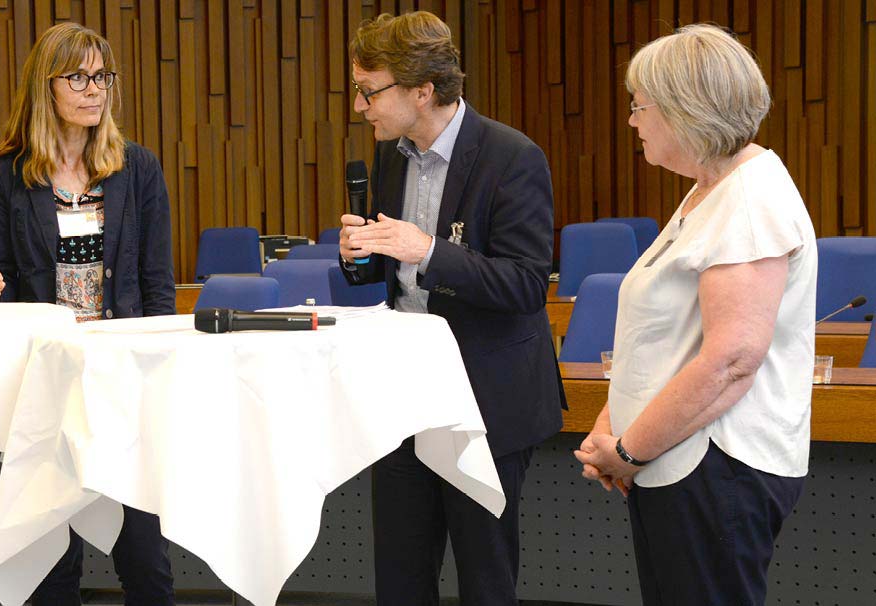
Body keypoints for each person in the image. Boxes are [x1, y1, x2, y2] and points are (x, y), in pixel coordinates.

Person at [574, 24, 815, 605]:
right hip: (676, 458)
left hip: (716, 468)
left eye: (639, 107)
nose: (631, 122)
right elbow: (665, 335)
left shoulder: (750, 199)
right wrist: (617, 428)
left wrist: (630, 450)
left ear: (685, 110)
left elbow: (732, 359)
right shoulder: (711, 187)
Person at [337, 11, 565, 606]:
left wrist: (428, 251)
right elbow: (391, 278)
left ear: (422, 90)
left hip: (484, 402)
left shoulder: (512, 157)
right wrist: (361, 255)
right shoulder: (391, 155)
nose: (360, 106)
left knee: (486, 580)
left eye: (368, 91)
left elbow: (524, 285)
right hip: (404, 400)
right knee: (400, 578)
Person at [0, 22, 176, 605]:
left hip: (123, 375)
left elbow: (157, 284)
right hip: (46, 375)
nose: (95, 90)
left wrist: (155, 372)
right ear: (46, 86)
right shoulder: (8, 174)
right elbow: (3, 280)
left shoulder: (137, 168)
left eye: (102, 76)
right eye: (79, 77)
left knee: (144, 553)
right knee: (52, 556)